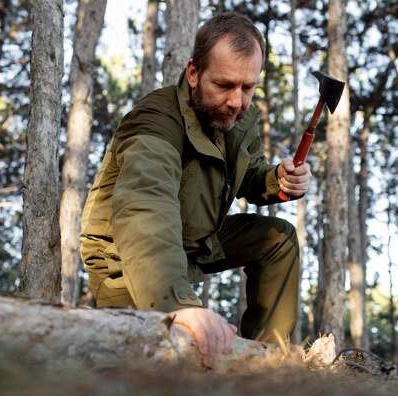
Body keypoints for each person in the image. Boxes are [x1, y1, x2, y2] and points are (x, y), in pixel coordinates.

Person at [80, 12, 311, 368]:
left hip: (195, 238)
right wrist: (179, 305)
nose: (237, 101)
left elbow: (250, 173)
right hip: (125, 256)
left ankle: (266, 365)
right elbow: (146, 209)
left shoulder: (236, 117)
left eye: (247, 87)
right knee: (160, 364)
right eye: (224, 85)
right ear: (193, 72)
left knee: (278, 239)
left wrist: (278, 181)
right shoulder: (155, 121)